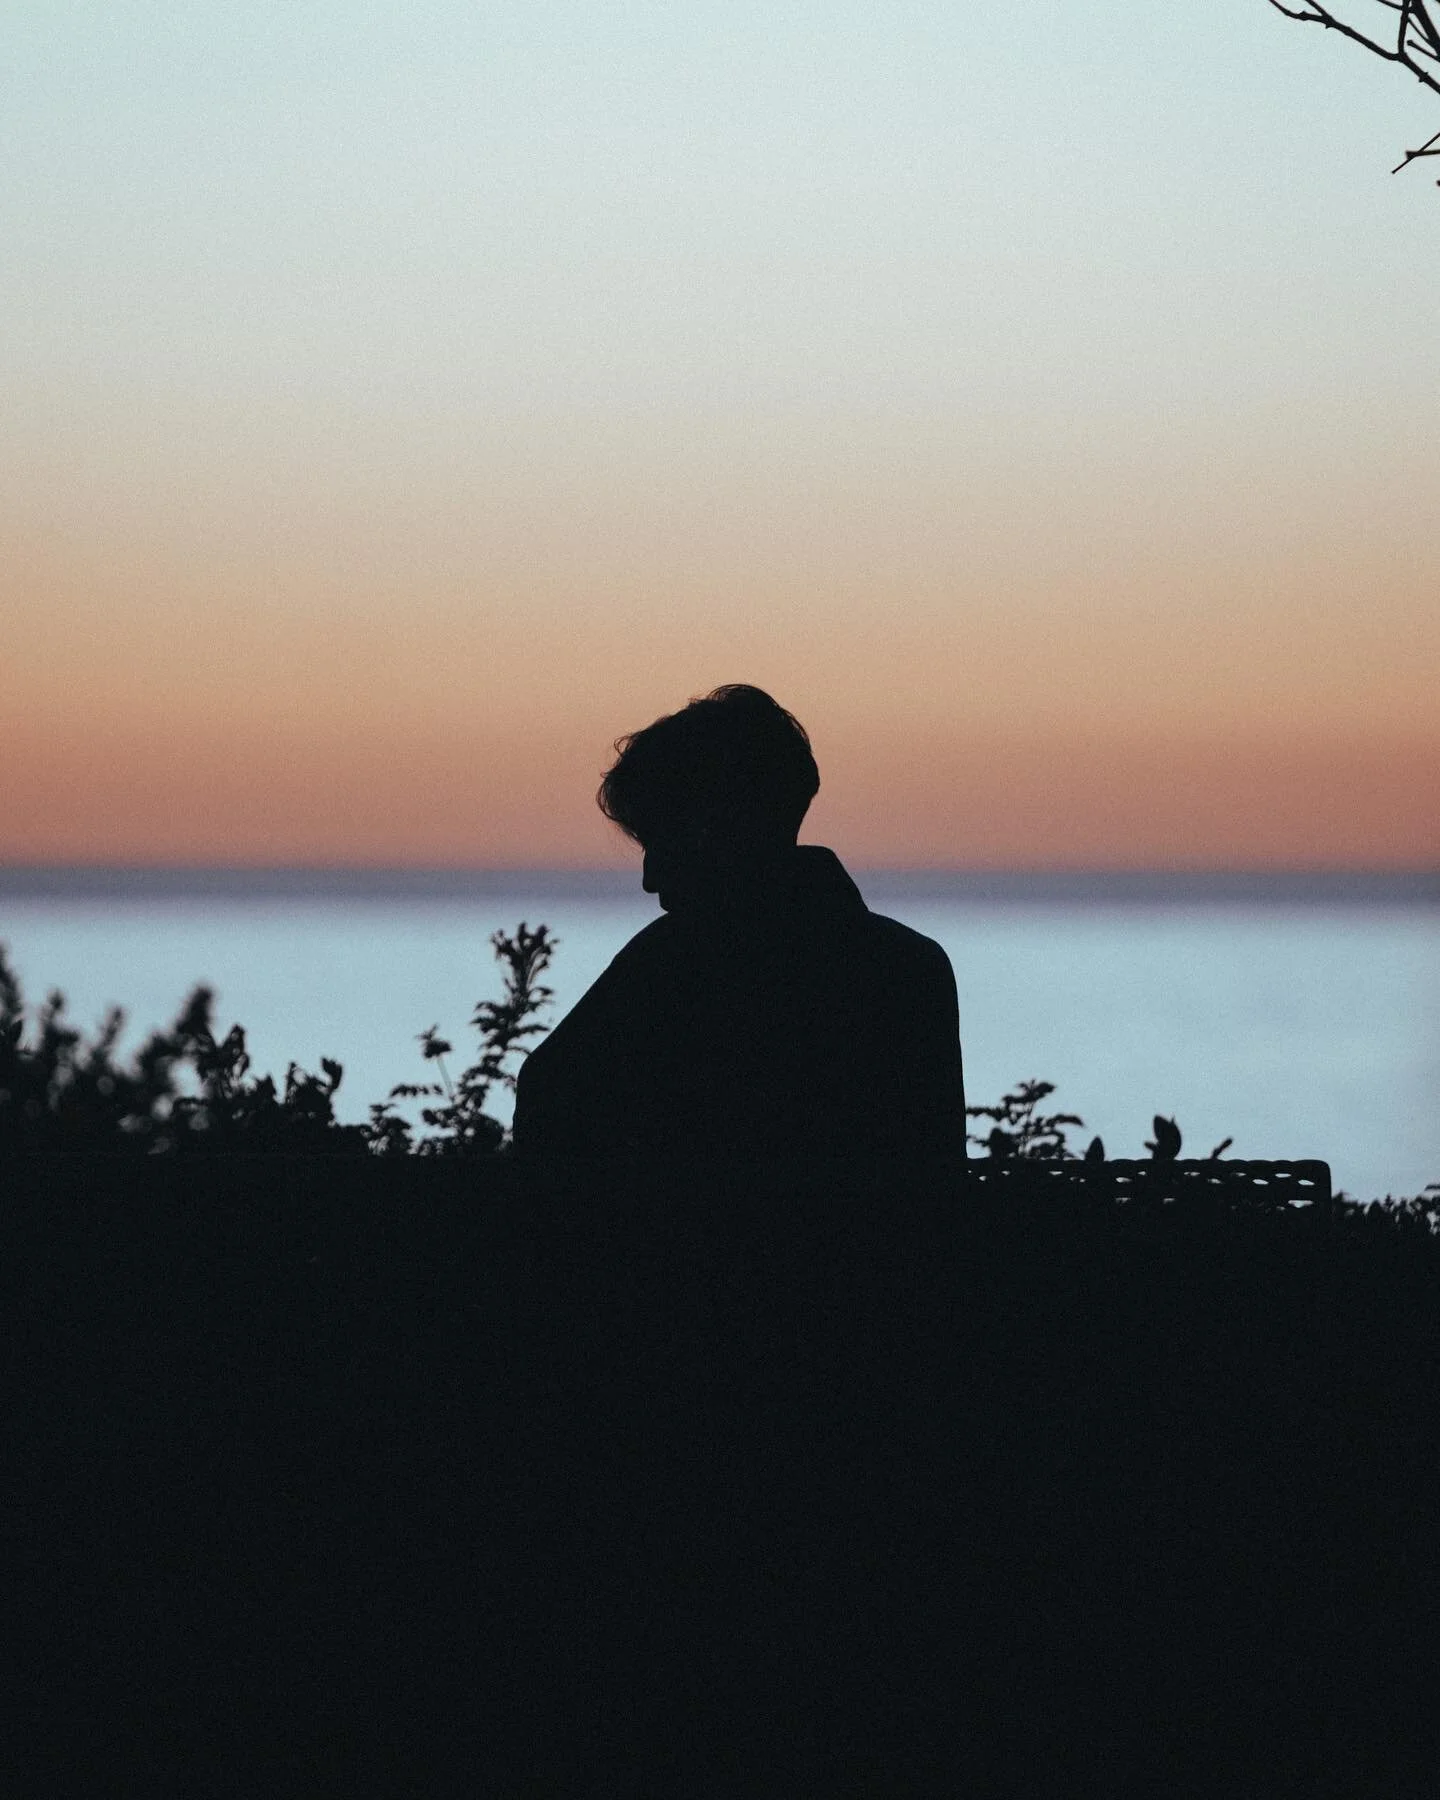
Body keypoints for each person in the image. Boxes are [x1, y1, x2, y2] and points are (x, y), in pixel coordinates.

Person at [510, 684, 967, 1167]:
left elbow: (549, 1099)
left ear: (713, 829)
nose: (649, 879)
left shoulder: (675, 962)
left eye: (661, 841)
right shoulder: (910, 966)